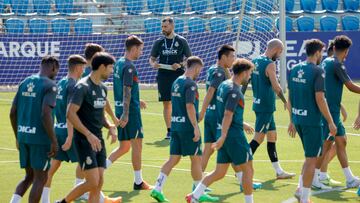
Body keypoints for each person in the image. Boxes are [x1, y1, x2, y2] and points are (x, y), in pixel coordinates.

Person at [186, 58, 255, 203]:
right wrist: (224, 136)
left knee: (220, 172)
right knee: (248, 169)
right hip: (233, 136)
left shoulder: (224, 84)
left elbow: (225, 111)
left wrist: (238, 126)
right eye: (249, 73)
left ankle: (194, 196)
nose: (250, 76)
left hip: (223, 133)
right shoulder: (234, 91)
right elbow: (227, 114)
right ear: (243, 73)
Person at [150, 56, 218, 202]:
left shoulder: (177, 81)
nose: (200, 72)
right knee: (196, 159)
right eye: (200, 69)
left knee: (173, 159)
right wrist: (195, 127)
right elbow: (189, 105)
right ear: (196, 67)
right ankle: (198, 193)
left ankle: (157, 188)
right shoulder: (190, 84)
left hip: (175, 125)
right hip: (187, 127)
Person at [56, 52, 121, 203]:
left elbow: (99, 113)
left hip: (98, 139)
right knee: (92, 182)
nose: (112, 71)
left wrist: (110, 126)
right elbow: (70, 113)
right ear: (102, 67)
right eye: (110, 68)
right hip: (84, 140)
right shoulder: (82, 87)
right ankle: (63, 202)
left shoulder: (103, 88)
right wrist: (88, 134)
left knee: (98, 183)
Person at [287, 39, 337, 203]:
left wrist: (292, 120)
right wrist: (330, 121)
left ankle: (300, 189)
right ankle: (305, 197)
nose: (322, 55)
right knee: (312, 160)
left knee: (309, 156)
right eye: (321, 52)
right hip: (312, 122)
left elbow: (290, 96)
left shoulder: (294, 68)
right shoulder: (318, 71)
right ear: (316, 53)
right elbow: (320, 98)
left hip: (298, 119)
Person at [242, 39, 295, 180]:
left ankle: (278, 171)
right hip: (266, 106)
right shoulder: (270, 64)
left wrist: (240, 96)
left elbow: (246, 81)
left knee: (272, 137)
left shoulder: (256, 60)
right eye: (280, 52)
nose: (280, 55)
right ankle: (239, 167)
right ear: (276, 49)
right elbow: (276, 87)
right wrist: (285, 102)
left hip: (260, 104)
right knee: (258, 139)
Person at [9, 56, 60, 203]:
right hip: (40, 139)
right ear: (53, 67)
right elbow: (45, 114)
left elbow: (12, 112)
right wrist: (53, 140)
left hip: (23, 136)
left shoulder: (25, 82)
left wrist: (18, 137)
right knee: (41, 177)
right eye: (57, 70)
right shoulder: (50, 85)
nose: (57, 73)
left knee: (29, 176)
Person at [312, 35, 360, 190]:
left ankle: (349, 178)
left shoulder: (327, 61)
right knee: (326, 145)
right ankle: (314, 176)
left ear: (333, 48)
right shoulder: (337, 64)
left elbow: (329, 87)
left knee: (341, 141)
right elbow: (350, 86)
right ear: (346, 51)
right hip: (329, 113)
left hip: (332, 110)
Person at [106, 35, 152, 190]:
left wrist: (138, 102)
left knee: (124, 147)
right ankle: (138, 182)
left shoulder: (119, 63)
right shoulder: (129, 66)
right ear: (133, 49)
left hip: (121, 107)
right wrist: (127, 113)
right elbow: (126, 90)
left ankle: (99, 171)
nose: (141, 52)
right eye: (140, 49)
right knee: (137, 145)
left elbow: (125, 89)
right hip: (129, 112)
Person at [41, 55, 87, 203]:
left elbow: (52, 109)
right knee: (87, 161)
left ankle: (45, 199)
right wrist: (70, 136)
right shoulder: (73, 85)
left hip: (57, 130)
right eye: (83, 67)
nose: (84, 70)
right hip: (69, 132)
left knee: (52, 167)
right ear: (78, 67)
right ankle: (81, 191)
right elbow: (70, 112)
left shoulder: (60, 83)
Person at [149, 16, 192, 139]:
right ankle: (169, 130)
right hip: (163, 75)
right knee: (166, 103)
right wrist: (154, 64)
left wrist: (180, 64)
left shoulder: (182, 40)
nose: (163, 29)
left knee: (179, 102)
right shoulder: (158, 42)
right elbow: (151, 59)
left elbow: (189, 58)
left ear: (172, 26)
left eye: (165, 26)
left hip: (178, 75)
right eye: (162, 27)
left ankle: (182, 127)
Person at [198, 45, 235, 175]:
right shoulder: (219, 72)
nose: (233, 60)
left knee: (208, 149)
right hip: (217, 116)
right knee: (228, 146)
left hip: (210, 113)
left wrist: (204, 111)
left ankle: (197, 181)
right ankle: (243, 179)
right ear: (223, 57)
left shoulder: (213, 69)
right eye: (231, 57)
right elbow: (210, 91)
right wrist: (201, 111)